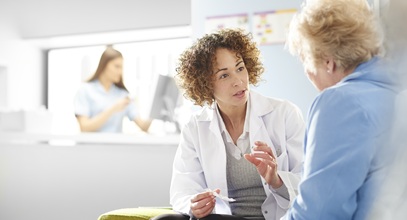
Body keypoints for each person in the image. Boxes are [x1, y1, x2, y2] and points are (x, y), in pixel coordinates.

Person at [152, 28, 305, 220]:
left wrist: (276, 180)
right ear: (205, 84)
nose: (238, 81)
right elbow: (182, 190)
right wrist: (194, 204)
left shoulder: (284, 114)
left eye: (240, 68)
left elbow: (308, 183)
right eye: (224, 75)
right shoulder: (195, 127)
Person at [283, 0, 399, 219]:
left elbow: (318, 212)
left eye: (306, 60)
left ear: (328, 62)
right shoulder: (393, 90)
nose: (307, 73)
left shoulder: (341, 102)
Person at [74, 46, 151, 133]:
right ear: (104, 66)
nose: (120, 72)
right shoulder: (85, 90)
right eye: (116, 66)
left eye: (121, 67)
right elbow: (84, 127)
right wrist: (113, 108)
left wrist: (155, 109)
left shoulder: (123, 95)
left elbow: (143, 126)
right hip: (91, 146)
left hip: (114, 146)